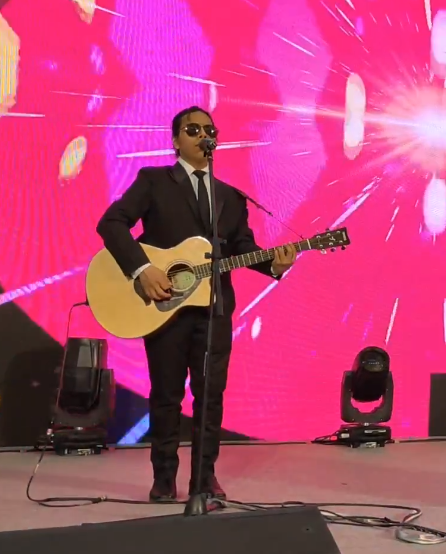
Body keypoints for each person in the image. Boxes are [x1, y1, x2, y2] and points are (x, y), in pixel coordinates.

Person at [96, 106, 297, 502]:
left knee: (210, 397)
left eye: (210, 129)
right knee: (166, 395)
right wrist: (142, 269)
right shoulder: (154, 181)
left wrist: (274, 264)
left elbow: (241, 247)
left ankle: (204, 479)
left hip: (214, 309)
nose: (204, 135)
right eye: (193, 129)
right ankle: (163, 479)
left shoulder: (230, 196)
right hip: (164, 308)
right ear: (176, 140)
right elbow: (111, 223)